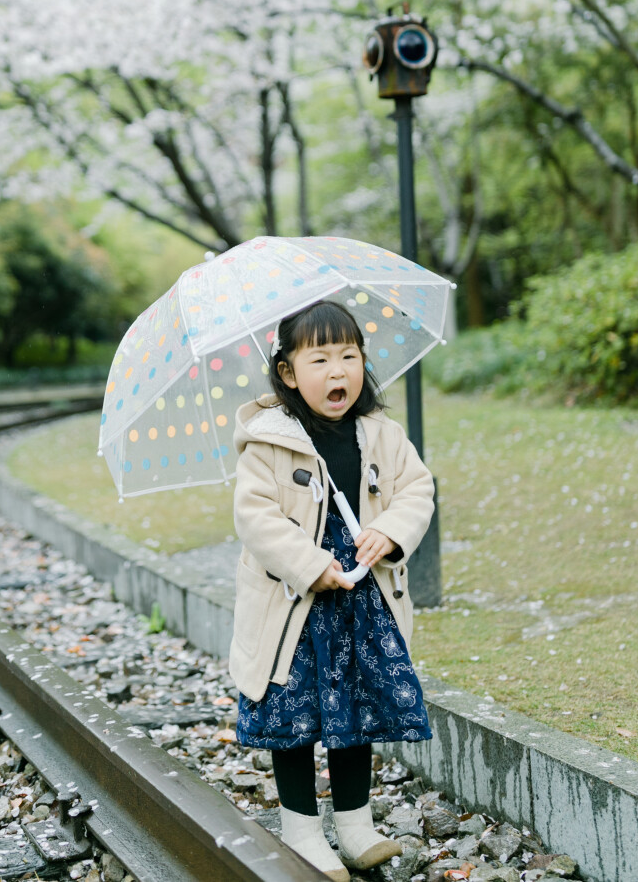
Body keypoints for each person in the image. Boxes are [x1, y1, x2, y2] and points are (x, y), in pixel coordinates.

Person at [230, 299, 434, 881]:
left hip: (362, 596)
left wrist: (390, 533)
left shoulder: (381, 434)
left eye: (349, 356)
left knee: (359, 709)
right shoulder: (270, 440)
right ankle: (300, 830)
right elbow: (257, 520)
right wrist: (308, 563)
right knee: (294, 716)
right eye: (319, 359)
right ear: (288, 372)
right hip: (296, 603)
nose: (338, 371)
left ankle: (354, 825)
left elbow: (415, 492)